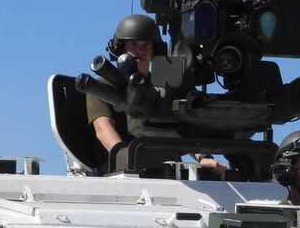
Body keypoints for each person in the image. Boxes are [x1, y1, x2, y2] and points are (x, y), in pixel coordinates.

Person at [87, 14, 225, 172]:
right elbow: (103, 129)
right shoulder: (102, 88)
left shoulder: (167, 87)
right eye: (132, 44)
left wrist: (204, 157)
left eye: (146, 44)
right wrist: (126, 158)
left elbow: (183, 129)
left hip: (170, 171)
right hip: (121, 172)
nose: (140, 49)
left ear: (155, 50)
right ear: (121, 48)